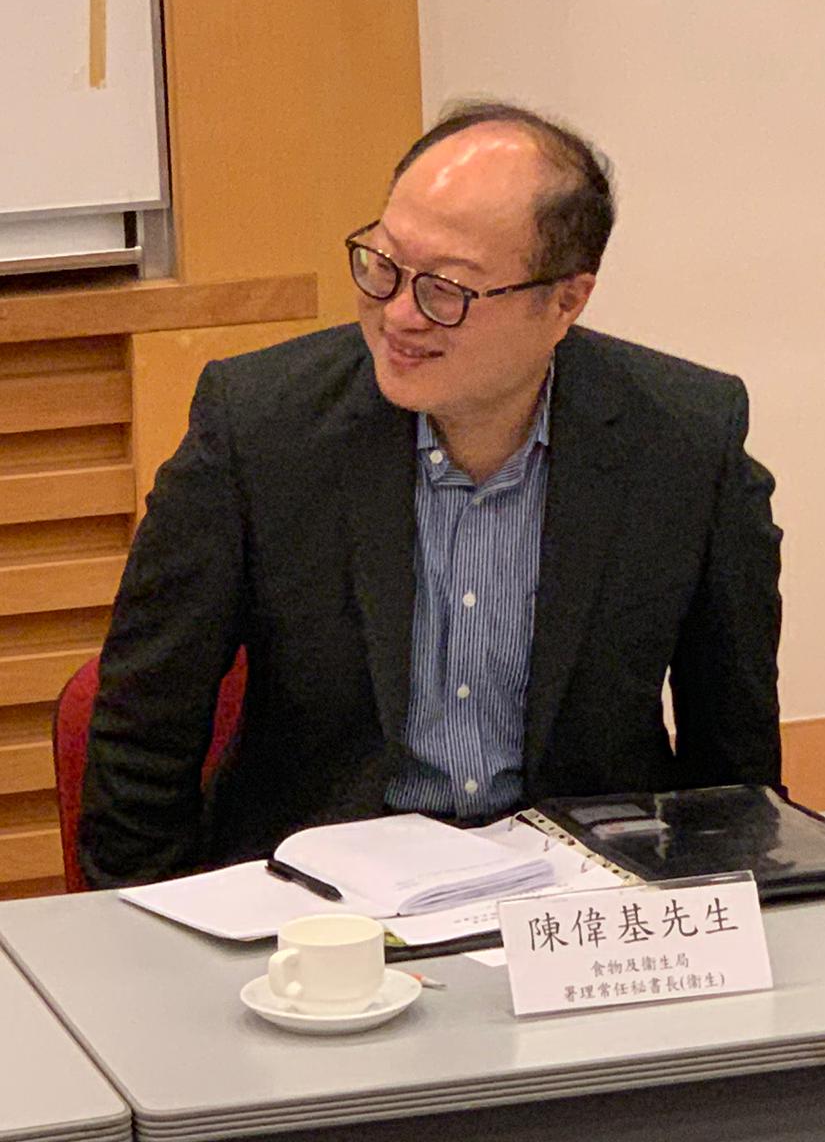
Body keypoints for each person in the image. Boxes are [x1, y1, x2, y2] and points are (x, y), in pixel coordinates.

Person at [80, 102, 783, 886]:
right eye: (382, 265)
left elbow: (736, 769)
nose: (399, 316)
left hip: (580, 896)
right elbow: (144, 729)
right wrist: (144, 928)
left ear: (565, 301)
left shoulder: (686, 442)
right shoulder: (258, 429)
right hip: (320, 902)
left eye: (446, 289)